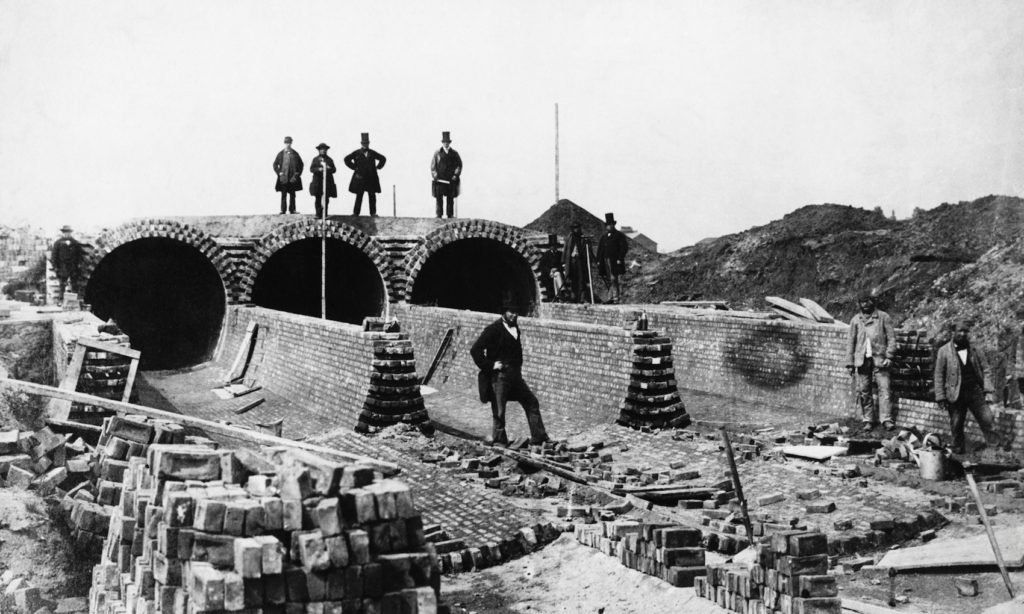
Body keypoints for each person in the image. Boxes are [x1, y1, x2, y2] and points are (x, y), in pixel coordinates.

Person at [470, 300, 550, 447]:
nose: (514, 315)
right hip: (500, 377)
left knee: (531, 402)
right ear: (504, 313)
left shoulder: (515, 328)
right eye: (511, 312)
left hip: (516, 377)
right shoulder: (493, 329)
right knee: (499, 411)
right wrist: (491, 365)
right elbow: (475, 350)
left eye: (516, 312)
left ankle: (539, 437)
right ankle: (499, 441)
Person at [934, 320, 1009, 453]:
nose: (963, 334)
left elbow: (986, 369)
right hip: (955, 393)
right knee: (956, 424)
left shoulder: (975, 349)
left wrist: (988, 389)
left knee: (987, 420)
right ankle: (958, 449)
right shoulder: (943, 351)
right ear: (953, 332)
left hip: (975, 391)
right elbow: (939, 374)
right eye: (960, 331)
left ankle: (995, 449)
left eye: (965, 331)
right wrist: (940, 396)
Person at [845, 296, 897, 431]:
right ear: (859, 304)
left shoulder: (883, 317)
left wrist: (889, 356)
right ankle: (868, 419)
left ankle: (886, 419)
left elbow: (891, 338)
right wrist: (850, 363)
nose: (865, 304)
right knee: (864, 391)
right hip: (862, 360)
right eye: (862, 302)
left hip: (880, 359)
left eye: (868, 301)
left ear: (873, 302)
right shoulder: (856, 320)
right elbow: (850, 342)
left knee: (885, 389)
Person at [343, 133, 387, 216]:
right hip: (360, 178)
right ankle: (356, 213)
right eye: (364, 143)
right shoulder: (356, 153)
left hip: (371, 178)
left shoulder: (372, 153)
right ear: (361, 143)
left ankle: (373, 213)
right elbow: (346, 159)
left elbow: (383, 159)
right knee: (359, 195)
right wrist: (354, 167)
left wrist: (378, 167)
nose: (365, 145)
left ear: (369, 143)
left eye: (366, 143)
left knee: (372, 195)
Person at [596, 212, 629, 303]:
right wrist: (599, 260)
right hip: (605, 260)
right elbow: (600, 250)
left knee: (614, 278)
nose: (609, 226)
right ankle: (611, 297)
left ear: (613, 225)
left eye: (611, 224)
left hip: (615, 261)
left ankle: (616, 298)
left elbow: (624, 248)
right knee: (609, 279)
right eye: (608, 225)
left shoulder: (619, 235)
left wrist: (620, 258)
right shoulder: (604, 237)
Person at [430, 131, 462, 218]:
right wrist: (435, 175)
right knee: (439, 198)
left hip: (450, 180)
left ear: (449, 143)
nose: (446, 144)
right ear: (442, 143)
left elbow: (459, 165)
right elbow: (433, 166)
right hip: (440, 180)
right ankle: (439, 215)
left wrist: (455, 175)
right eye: (444, 142)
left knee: (450, 198)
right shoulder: (437, 153)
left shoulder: (454, 154)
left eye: (447, 142)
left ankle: (450, 215)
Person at [562, 222, 594, 303]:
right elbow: (565, 249)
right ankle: (573, 297)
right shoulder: (569, 238)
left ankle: (582, 298)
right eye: (575, 228)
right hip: (571, 261)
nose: (576, 229)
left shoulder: (582, 238)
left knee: (581, 279)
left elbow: (588, 249)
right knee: (572, 279)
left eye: (577, 227)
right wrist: (563, 261)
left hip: (580, 261)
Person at [50, 225, 82, 304]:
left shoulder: (75, 243)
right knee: (62, 284)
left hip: (73, 266)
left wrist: (78, 265)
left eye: (68, 232)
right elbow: (54, 256)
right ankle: (61, 300)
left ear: (70, 233)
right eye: (65, 232)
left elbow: (79, 255)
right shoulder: (58, 243)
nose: (67, 234)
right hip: (62, 266)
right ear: (63, 233)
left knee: (74, 284)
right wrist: (55, 267)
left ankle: (74, 301)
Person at [273, 136, 303, 214]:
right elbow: (275, 164)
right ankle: (283, 210)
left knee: (292, 194)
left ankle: (292, 210)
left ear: (291, 143)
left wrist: (297, 174)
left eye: (289, 143)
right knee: (284, 194)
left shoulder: (295, 154)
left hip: (292, 177)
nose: (288, 144)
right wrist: (279, 172)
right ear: (284, 143)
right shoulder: (280, 154)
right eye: (286, 143)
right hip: (284, 178)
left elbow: (301, 164)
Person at [309, 143, 337, 217]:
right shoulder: (315, 159)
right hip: (318, 182)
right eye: (321, 149)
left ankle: (325, 214)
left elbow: (334, 170)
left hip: (327, 182)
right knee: (318, 198)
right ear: (319, 150)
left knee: (326, 199)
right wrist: (318, 169)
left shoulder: (329, 160)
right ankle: (318, 214)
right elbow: (311, 169)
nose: (323, 151)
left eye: (324, 149)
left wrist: (329, 168)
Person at [538, 234, 565, 301]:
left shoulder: (560, 254)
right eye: (551, 246)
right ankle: (562, 289)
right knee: (556, 275)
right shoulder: (546, 254)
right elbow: (542, 265)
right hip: (549, 273)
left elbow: (562, 264)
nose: (553, 247)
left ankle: (557, 296)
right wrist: (550, 270)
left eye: (554, 246)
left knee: (557, 275)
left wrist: (556, 269)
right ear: (550, 247)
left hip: (558, 272)